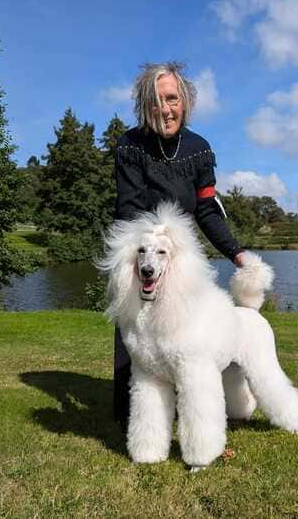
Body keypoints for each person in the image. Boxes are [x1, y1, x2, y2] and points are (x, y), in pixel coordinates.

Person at [113, 62, 245, 429]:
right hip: (143, 252)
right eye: (156, 101)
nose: (165, 109)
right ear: (145, 105)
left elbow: (207, 209)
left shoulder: (199, 149)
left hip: (181, 260)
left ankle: (197, 409)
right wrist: (151, 249)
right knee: (136, 337)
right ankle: (135, 417)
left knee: (189, 342)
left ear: (184, 102)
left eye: (172, 99)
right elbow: (128, 208)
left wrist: (236, 253)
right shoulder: (129, 145)